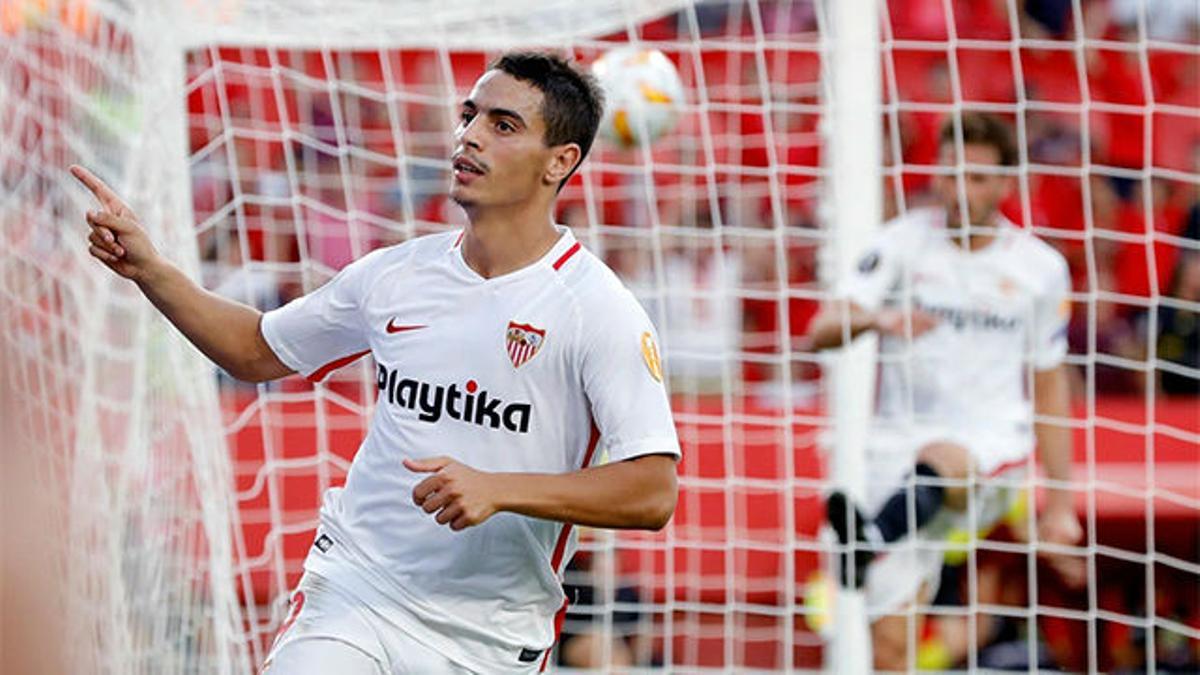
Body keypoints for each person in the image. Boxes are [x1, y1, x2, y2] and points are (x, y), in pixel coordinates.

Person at [72, 51, 680, 674]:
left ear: (561, 162)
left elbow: (652, 491)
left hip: (486, 637)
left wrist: (500, 490)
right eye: (469, 116)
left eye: (502, 125)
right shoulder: (397, 274)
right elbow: (257, 349)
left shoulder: (598, 310)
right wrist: (150, 269)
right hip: (355, 592)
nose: (468, 136)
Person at [806, 111, 1082, 671]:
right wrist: (877, 321)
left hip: (990, 444)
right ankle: (876, 538)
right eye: (952, 173)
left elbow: (1050, 390)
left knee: (946, 459)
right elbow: (820, 331)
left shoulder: (1039, 268)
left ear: (1007, 183)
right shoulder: (900, 244)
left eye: (978, 178)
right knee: (890, 648)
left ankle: (871, 538)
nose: (962, 189)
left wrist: (1061, 503)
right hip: (896, 448)